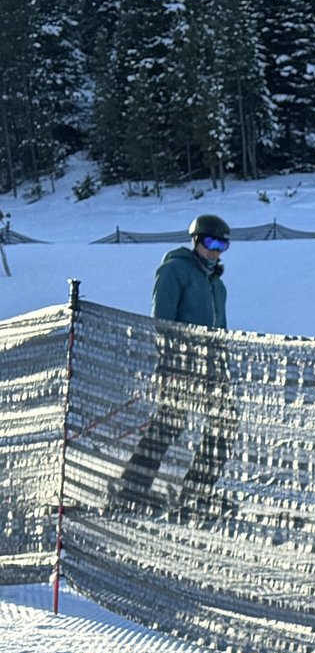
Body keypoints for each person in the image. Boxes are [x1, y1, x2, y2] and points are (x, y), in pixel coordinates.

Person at [114, 213, 235, 513]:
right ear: (196, 241)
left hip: (212, 369)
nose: (215, 250)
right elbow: (163, 320)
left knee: (225, 424)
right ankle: (133, 489)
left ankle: (196, 492)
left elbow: (220, 331)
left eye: (222, 245)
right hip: (180, 364)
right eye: (210, 242)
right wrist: (170, 361)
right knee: (170, 424)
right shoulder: (174, 270)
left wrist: (223, 366)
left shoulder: (217, 286)